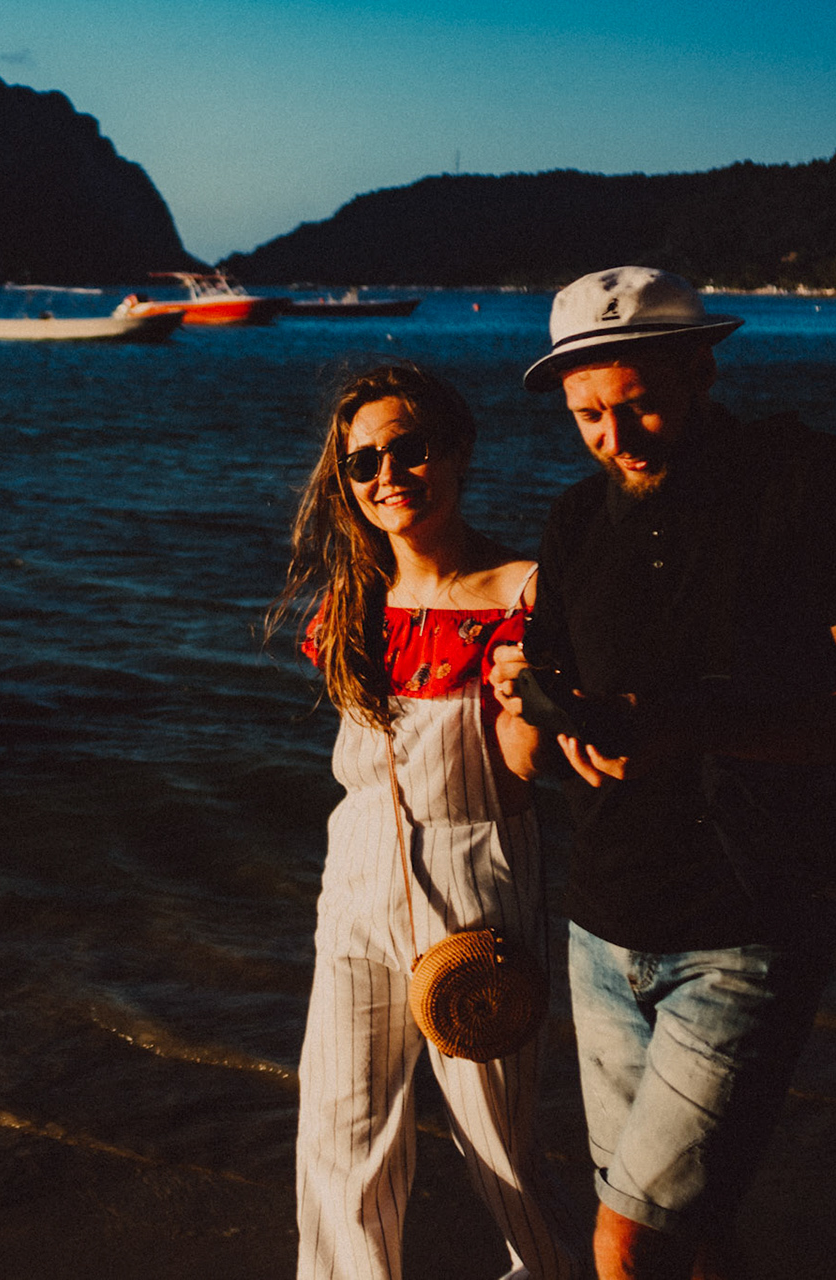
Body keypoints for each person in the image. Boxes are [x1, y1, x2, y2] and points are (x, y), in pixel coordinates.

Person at [490, 267, 836, 1279]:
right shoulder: (573, 524)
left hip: (750, 919)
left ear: (703, 367)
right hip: (601, 927)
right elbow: (540, 712)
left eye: (638, 402)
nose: (615, 436)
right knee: (694, 1227)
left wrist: (690, 726)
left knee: (626, 1241)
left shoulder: (810, 484)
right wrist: (533, 702)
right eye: (588, 414)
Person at [275, 361, 582, 1280]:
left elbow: (528, 772)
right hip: (356, 872)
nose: (387, 475)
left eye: (410, 450)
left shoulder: (528, 592)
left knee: (497, 1140)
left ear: (457, 451)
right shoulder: (351, 607)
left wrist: (534, 701)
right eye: (363, 462)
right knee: (338, 1128)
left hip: (478, 869)